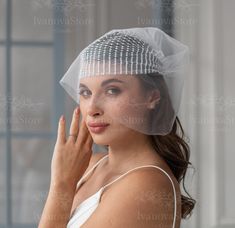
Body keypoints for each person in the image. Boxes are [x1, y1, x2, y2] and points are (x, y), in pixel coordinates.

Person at [38, 27, 196, 228]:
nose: (92, 109)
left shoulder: (146, 183)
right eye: (85, 92)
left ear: (152, 97)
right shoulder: (90, 164)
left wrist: (61, 184)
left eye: (112, 90)